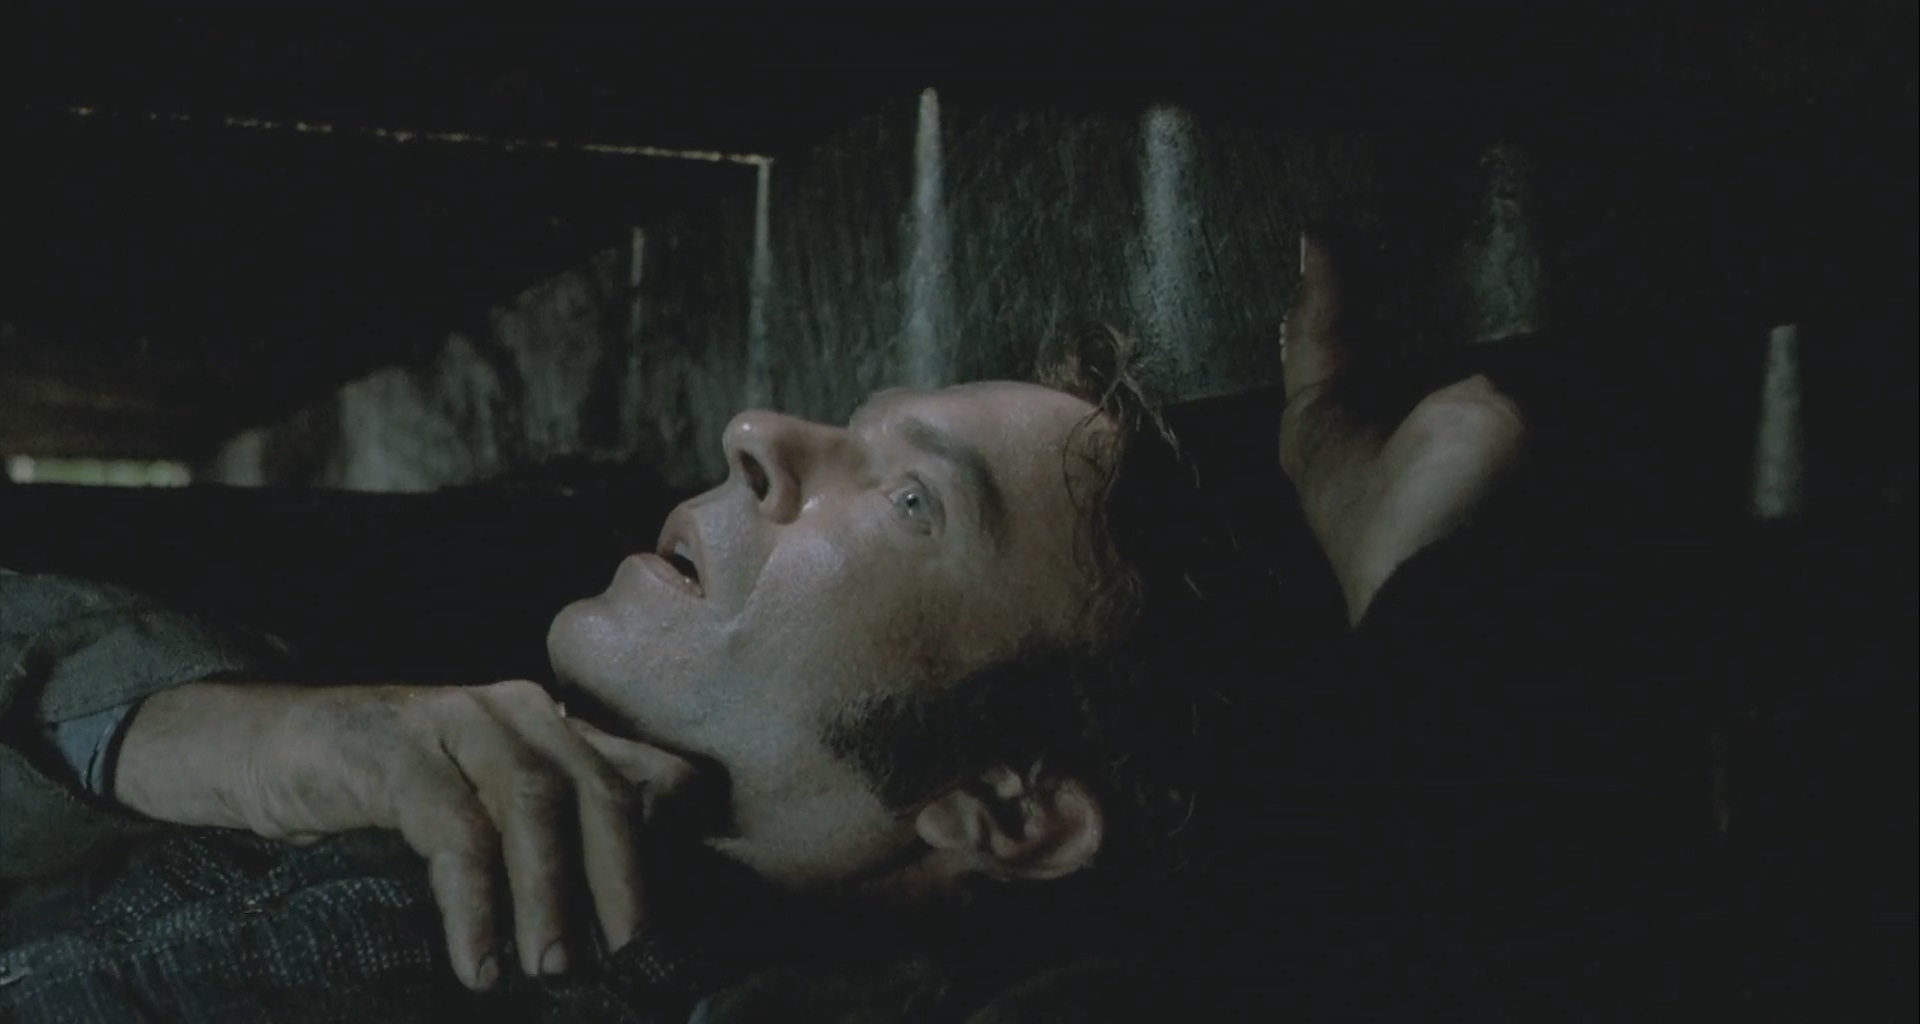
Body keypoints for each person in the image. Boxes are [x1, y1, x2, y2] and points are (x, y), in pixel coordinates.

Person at [0, 236, 1537, 1021]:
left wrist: (1406, 592)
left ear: (1009, 807)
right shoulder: (388, 777)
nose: (758, 433)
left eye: (911, 499)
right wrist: (204, 739)